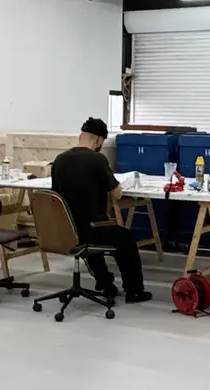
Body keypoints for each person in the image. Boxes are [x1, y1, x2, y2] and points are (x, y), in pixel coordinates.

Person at [49, 117, 151, 303]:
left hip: (66, 230)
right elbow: (117, 193)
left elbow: (55, 197)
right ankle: (134, 291)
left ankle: (105, 283)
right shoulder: (97, 159)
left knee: (90, 236)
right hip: (91, 229)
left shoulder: (59, 160)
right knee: (125, 238)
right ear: (98, 140)